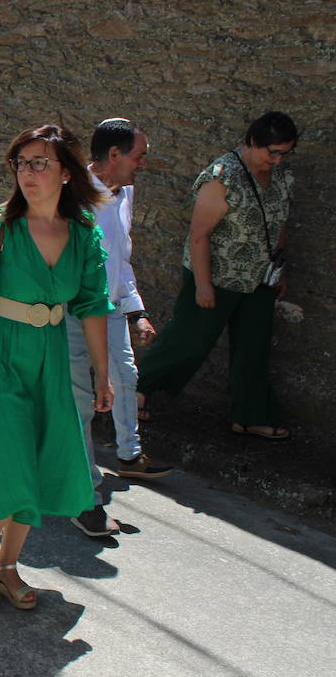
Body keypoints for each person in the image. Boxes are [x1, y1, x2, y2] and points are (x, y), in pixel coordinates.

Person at [0, 124, 111, 613]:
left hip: (51, 358)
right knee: (6, 461)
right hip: (0, 355)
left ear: (66, 172)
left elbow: (94, 306)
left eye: (40, 162)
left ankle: (10, 564)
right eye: (22, 163)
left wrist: (102, 375)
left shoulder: (83, 232)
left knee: (39, 461)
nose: (29, 172)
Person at [136, 111, 299, 440]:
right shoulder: (223, 176)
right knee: (189, 340)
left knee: (254, 348)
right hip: (217, 274)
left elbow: (279, 223)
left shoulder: (281, 177)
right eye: (273, 152)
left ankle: (249, 416)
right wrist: (203, 284)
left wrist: (280, 270)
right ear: (254, 141)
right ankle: (135, 392)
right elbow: (199, 235)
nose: (278, 160)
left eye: (285, 153)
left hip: (259, 279)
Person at [65, 119, 178, 537]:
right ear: (113, 155)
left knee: (125, 376)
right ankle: (85, 495)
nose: (144, 163)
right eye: (139, 155)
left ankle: (129, 455)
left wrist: (137, 312)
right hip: (76, 312)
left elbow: (121, 259)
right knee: (80, 399)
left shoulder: (126, 193)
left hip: (111, 307)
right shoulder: (74, 197)